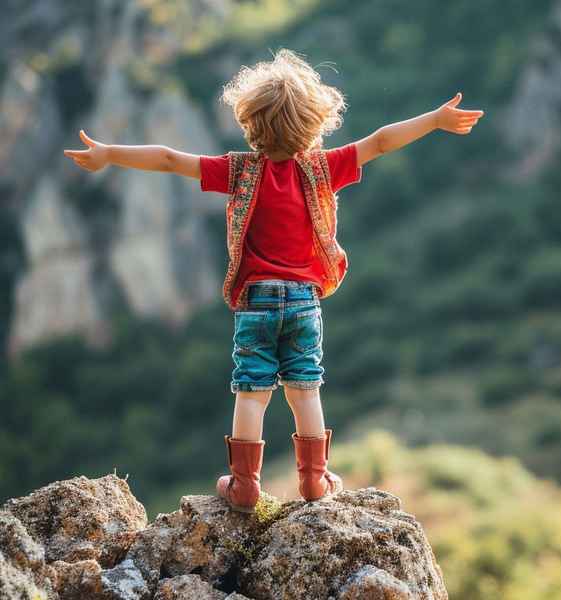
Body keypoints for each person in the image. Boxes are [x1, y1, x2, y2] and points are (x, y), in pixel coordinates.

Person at [64, 48, 484, 512]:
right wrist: (436, 119)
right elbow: (382, 141)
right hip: (305, 302)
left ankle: (244, 486)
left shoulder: (238, 170)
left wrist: (108, 154)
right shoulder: (323, 168)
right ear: (315, 120)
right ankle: (315, 481)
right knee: (306, 388)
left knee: (252, 392)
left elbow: (166, 158)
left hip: (255, 304)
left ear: (249, 120)